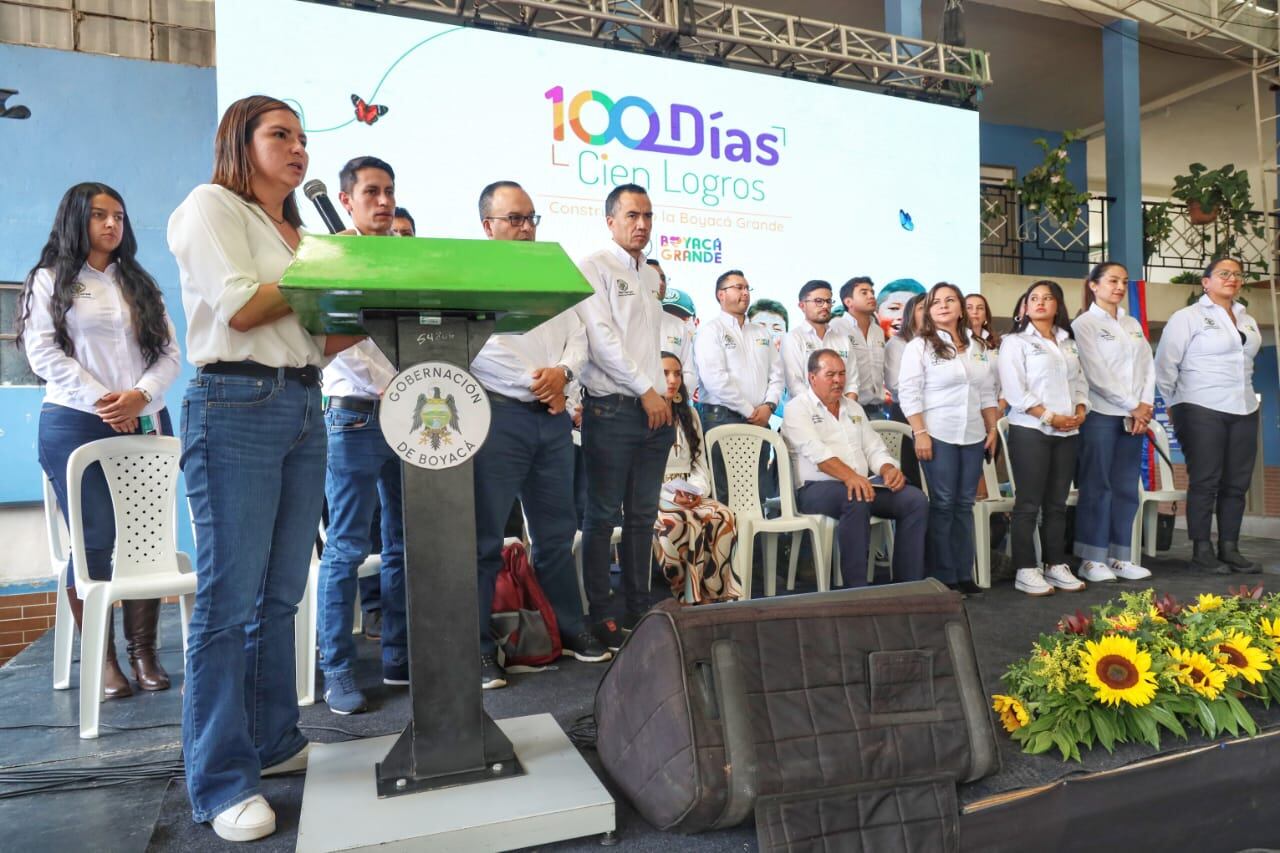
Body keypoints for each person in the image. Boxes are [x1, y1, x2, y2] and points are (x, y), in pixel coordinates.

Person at [167, 95, 362, 842]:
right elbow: (244, 309)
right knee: (227, 604)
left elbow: (316, 343)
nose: (299, 148)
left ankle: (274, 740)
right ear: (239, 142)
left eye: (305, 138)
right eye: (281, 134)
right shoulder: (211, 205)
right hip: (235, 406)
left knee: (281, 594)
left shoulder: (298, 233)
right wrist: (335, 273)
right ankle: (220, 779)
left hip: (304, 404)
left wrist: (368, 304)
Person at [18, 182, 182, 699]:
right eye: (99, 216)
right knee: (95, 542)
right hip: (75, 421)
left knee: (146, 541)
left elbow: (171, 354)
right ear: (75, 220)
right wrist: (105, 401)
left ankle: (144, 654)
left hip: (145, 416)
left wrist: (140, 396)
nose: (112, 224)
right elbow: (43, 353)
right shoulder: (49, 280)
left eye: (119, 216)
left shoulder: (139, 283)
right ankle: (103, 658)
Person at [470, 180, 611, 690]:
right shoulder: (473, 275)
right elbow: (478, 344)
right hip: (500, 416)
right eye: (515, 219)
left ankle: (570, 629)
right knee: (485, 539)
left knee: (556, 533)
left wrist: (564, 376)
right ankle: (480, 650)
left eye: (531, 218)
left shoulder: (554, 269)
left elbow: (578, 334)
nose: (527, 228)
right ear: (488, 226)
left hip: (552, 417)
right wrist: (539, 382)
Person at [313, 156, 408, 716]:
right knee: (347, 547)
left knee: (400, 541)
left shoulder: (401, 261)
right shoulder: (331, 257)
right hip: (353, 415)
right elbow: (342, 343)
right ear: (346, 200)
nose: (384, 201)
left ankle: (397, 655)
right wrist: (397, 385)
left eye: (390, 191)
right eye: (371, 191)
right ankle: (338, 670)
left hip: (407, 417)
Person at [575, 183, 674, 650]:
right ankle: (602, 612)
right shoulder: (593, 266)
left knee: (641, 515)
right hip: (613, 408)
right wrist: (648, 391)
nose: (642, 225)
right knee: (600, 517)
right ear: (611, 220)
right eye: (632, 215)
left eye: (648, 216)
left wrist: (662, 395)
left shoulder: (651, 276)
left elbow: (647, 346)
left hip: (654, 410)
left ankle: (640, 604)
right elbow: (602, 341)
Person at [1155, 257, 1263, 574]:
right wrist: (1174, 404)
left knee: (1236, 483)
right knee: (1206, 480)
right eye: (1223, 274)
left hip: (1243, 405)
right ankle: (1202, 550)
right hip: (1200, 405)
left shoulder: (1248, 319)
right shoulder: (1187, 317)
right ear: (1206, 281)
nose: (1232, 279)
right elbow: (1165, 365)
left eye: (1237, 275)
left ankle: (1229, 548)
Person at [783, 349, 928, 587]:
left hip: (861, 483)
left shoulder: (852, 407)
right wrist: (852, 477)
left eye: (841, 373)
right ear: (812, 377)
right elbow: (818, 454)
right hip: (815, 489)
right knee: (856, 497)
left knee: (914, 500)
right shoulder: (797, 408)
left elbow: (873, 448)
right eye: (830, 374)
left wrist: (888, 469)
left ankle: (907, 585)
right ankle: (856, 589)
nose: (838, 380)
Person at [897, 282, 998, 595]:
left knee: (964, 504)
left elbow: (986, 391)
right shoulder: (920, 346)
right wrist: (920, 433)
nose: (943, 306)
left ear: (960, 307)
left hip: (973, 434)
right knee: (943, 503)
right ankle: (944, 576)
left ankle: (963, 572)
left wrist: (992, 429)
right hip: (937, 433)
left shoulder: (977, 345)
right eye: (936, 301)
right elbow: (909, 392)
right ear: (928, 309)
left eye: (950, 300)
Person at [998, 280, 1089, 597]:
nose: (1039, 303)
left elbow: (1080, 381)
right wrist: (1049, 416)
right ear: (1024, 306)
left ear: (1057, 305)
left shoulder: (1068, 341)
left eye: (1047, 298)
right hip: (1031, 429)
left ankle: (1055, 564)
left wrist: (1080, 409)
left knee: (1057, 504)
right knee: (1028, 503)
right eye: (1033, 298)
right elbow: (1014, 391)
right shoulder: (1014, 342)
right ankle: (1026, 568)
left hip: (1068, 430)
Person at [1070, 262, 1155, 583]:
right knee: (1097, 486)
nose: (1119, 287)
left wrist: (1145, 405)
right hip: (1101, 415)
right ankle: (1092, 559)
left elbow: (1148, 366)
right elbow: (1096, 374)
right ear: (1093, 285)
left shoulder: (1132, 323)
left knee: (1125, 487)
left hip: (1133, 417)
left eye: (1123, 281)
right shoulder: (1085, 324)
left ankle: (1120, 556)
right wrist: (1134, 405)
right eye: (1111, 281)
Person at [652, 352, 741, 603]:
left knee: (722, 515)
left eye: (677, 374)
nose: (672, 380)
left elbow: (700, 464)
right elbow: (638, 474)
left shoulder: (689, 415)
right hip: (652, 493)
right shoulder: (642, 414)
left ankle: (716, 593)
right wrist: (673, 495)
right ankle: (685, 595)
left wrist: (694, 492)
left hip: (688, 490)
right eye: (665, 373)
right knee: (682, 520)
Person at [694, 269, 784, 502]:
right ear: (720, 295)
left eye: (747, 288)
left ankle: (755, 540)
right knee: (725, 493)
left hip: (760, 419)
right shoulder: (710, 331)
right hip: (723, 418)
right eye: (738, 287)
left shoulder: (761, 332)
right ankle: (728, 540)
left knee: (757, 491)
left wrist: (769, 406)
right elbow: (715, 379)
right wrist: (750, 411)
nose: (745, 292)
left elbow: (777, 373)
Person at [780, 279, 859, 402]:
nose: (826, 306)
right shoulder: (792, 338)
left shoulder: (843, 340)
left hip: (841, 413)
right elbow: (794, 384)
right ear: (802, 306)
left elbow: (852, 383)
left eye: (828, 301)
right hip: (805, 412)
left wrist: (845, 409)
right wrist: (823, 409)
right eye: (818, 301)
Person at [884, 293, 926, 488]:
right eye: (921, 308)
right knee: (912, 472)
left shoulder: (942, 342)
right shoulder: (897, 344)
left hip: (935, 414)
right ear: (911, 313)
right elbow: (895, 384)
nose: (927, 312)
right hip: (905, 413)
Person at [830, 276, 887, 417]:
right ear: (848, 301)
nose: (871, 296)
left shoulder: (878, 331)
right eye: (864, 292)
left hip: (877, 409)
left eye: (872, 292)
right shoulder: (837, 327)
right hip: (847, 407)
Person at [650, 258, 696, 395]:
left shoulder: (678, 325)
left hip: (673, 405)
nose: (660, 283)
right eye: (653, 277)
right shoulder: (626, 320)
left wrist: (675, 401)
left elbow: (688, 372)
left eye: (663, 278)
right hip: (635, 405)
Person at [964, 292, 1005, 412]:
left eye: (980, 308)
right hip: (968, 410)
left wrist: (1000, 408)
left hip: (995, 407)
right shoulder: (955, 342)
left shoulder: (997, 342)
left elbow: (1007, 379)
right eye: (969, 308)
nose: (975, 312)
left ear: (986, 315)